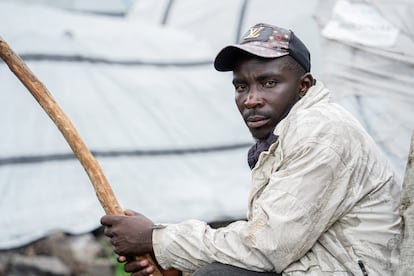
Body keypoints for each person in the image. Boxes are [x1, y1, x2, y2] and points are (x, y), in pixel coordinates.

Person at [101, 23, 401, 275]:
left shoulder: (321, 132)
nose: (250, 99)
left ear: (304, 86)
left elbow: (268, 246)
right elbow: (272, 236)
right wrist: (177, 263)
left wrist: (156, 240)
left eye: (269, 83)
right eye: (241, 86)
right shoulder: (287, 133)